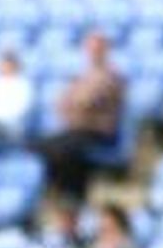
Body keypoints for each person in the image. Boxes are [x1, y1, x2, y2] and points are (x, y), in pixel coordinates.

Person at [34, 30, 126, 203]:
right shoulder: (84, 75)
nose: (92, 52)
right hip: (77, 130)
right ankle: (61, 193)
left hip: (97, 132)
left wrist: (76, 105)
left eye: (97, 48)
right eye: (90, 48)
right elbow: (63, 103)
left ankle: (72, 195)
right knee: (40, 147)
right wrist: (75, 105)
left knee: (64, 149)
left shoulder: (111, 75)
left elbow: (87, 101)